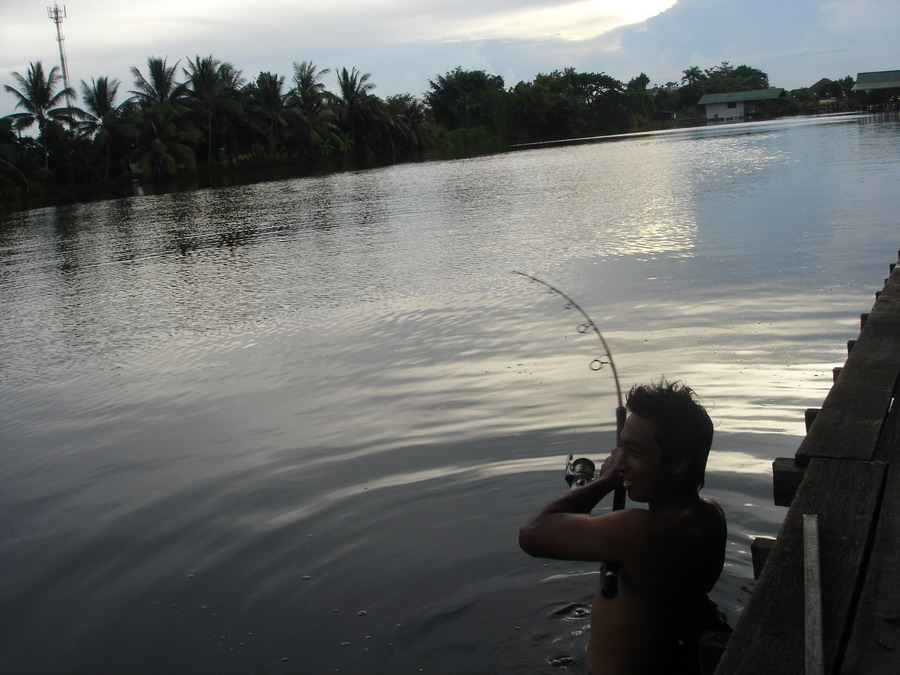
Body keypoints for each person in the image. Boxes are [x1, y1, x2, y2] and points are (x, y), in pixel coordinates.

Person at [519, 380, 728, 674]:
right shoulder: (711, 515)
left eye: (634, 451)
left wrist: (606, 481)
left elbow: (532, 534)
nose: (621, 463)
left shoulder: (641, 531)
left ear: (678, 463)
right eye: (621, 449)